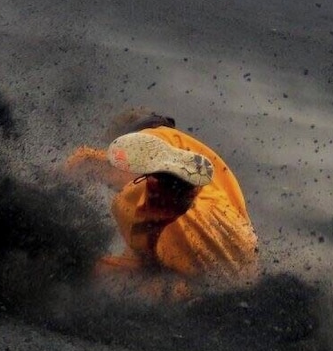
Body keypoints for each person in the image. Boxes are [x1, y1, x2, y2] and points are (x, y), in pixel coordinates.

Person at [65, 109, 260, 301]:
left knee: (92, 164)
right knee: (170, 281)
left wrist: (48, 189)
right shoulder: (205, 158)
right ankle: (174, 191)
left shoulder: (152, 137)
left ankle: (169, 190)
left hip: (171, 214)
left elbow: (91, 165)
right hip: (233, 239)